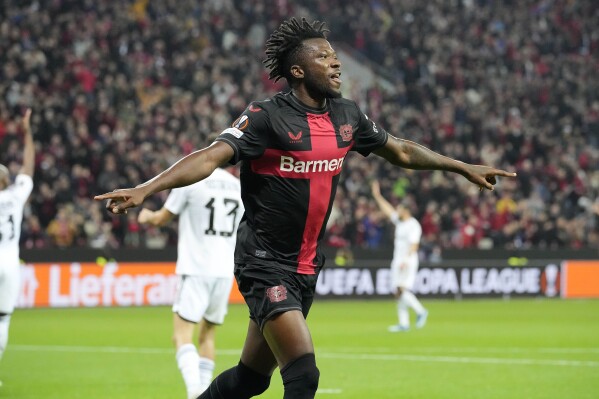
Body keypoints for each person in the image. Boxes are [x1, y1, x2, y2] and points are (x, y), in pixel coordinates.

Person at [94, 17, 517, 399]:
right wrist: (146, 189)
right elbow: (210, 156)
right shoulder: (265, 116)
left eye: (335, 57)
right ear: (297, 71)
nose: (335, 64)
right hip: (263, 262)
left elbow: (402, 151)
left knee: (251, 379)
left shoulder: (348, 116)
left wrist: (461, 167)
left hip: (306, 267)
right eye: (324, 57)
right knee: (303, 375)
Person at [137, 148, 243, 399]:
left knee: (181, 335)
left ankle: (194, 391)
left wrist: (146, 217)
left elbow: (163, 218)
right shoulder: (238, 187)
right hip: (224, 270)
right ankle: (205, 391)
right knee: (208, 336)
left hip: (196, 267)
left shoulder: (190, 182)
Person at [0, 109, 34, 387]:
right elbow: (28, 167)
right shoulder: (15, 196)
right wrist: (27, 132)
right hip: (10, 264)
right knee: (3, 319)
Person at [371, 180, 427, 332]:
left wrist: (406, 260)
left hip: (407, 260)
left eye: (400, 209)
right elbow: (388, 210)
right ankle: (404, 323)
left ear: (406, 211)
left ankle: (420, 311)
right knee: (397, 292)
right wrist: (377, 195)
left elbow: (414, 245)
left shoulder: (413, 225)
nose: (397, 210)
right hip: (398, 260)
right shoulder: (401, 222)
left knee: (401, 289)